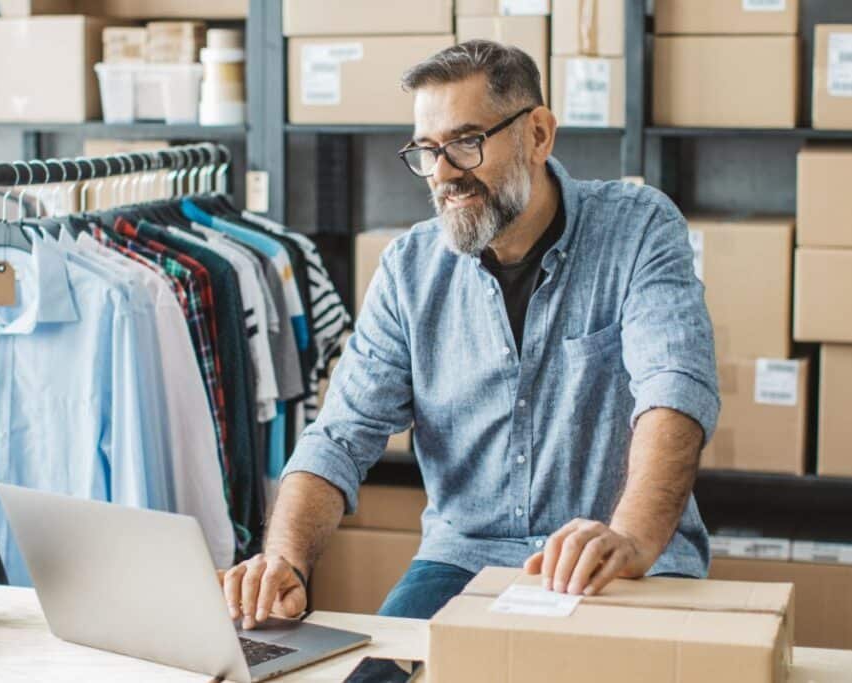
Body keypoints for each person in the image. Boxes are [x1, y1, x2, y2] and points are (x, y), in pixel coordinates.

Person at [220, 40, 719, 626]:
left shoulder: (639, 228)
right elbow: (339, 436)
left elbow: (674, 390)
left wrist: (632, 536)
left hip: (617, 559)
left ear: (538, 134)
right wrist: (283, 559)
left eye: (465, 143)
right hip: (464, 563)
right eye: (427, 151)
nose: (444, 175)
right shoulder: (409, 269)